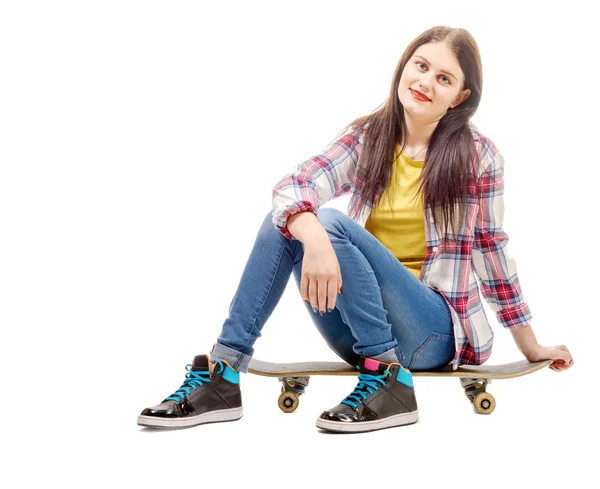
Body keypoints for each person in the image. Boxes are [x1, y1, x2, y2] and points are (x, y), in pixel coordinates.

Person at [137, 25, 574, 433]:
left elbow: (491, 250)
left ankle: (389, 381)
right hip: (361, 331)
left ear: (459, 96)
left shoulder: (479, 156)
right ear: (405, 66)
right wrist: (310, 233)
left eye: (443, 78)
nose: (425, 81)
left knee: (324, 221)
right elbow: (294, 185)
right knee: (289, 221)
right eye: (420, 65)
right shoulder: (370, 136)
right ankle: (223, 374)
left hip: (434, 331)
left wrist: (530, 344)